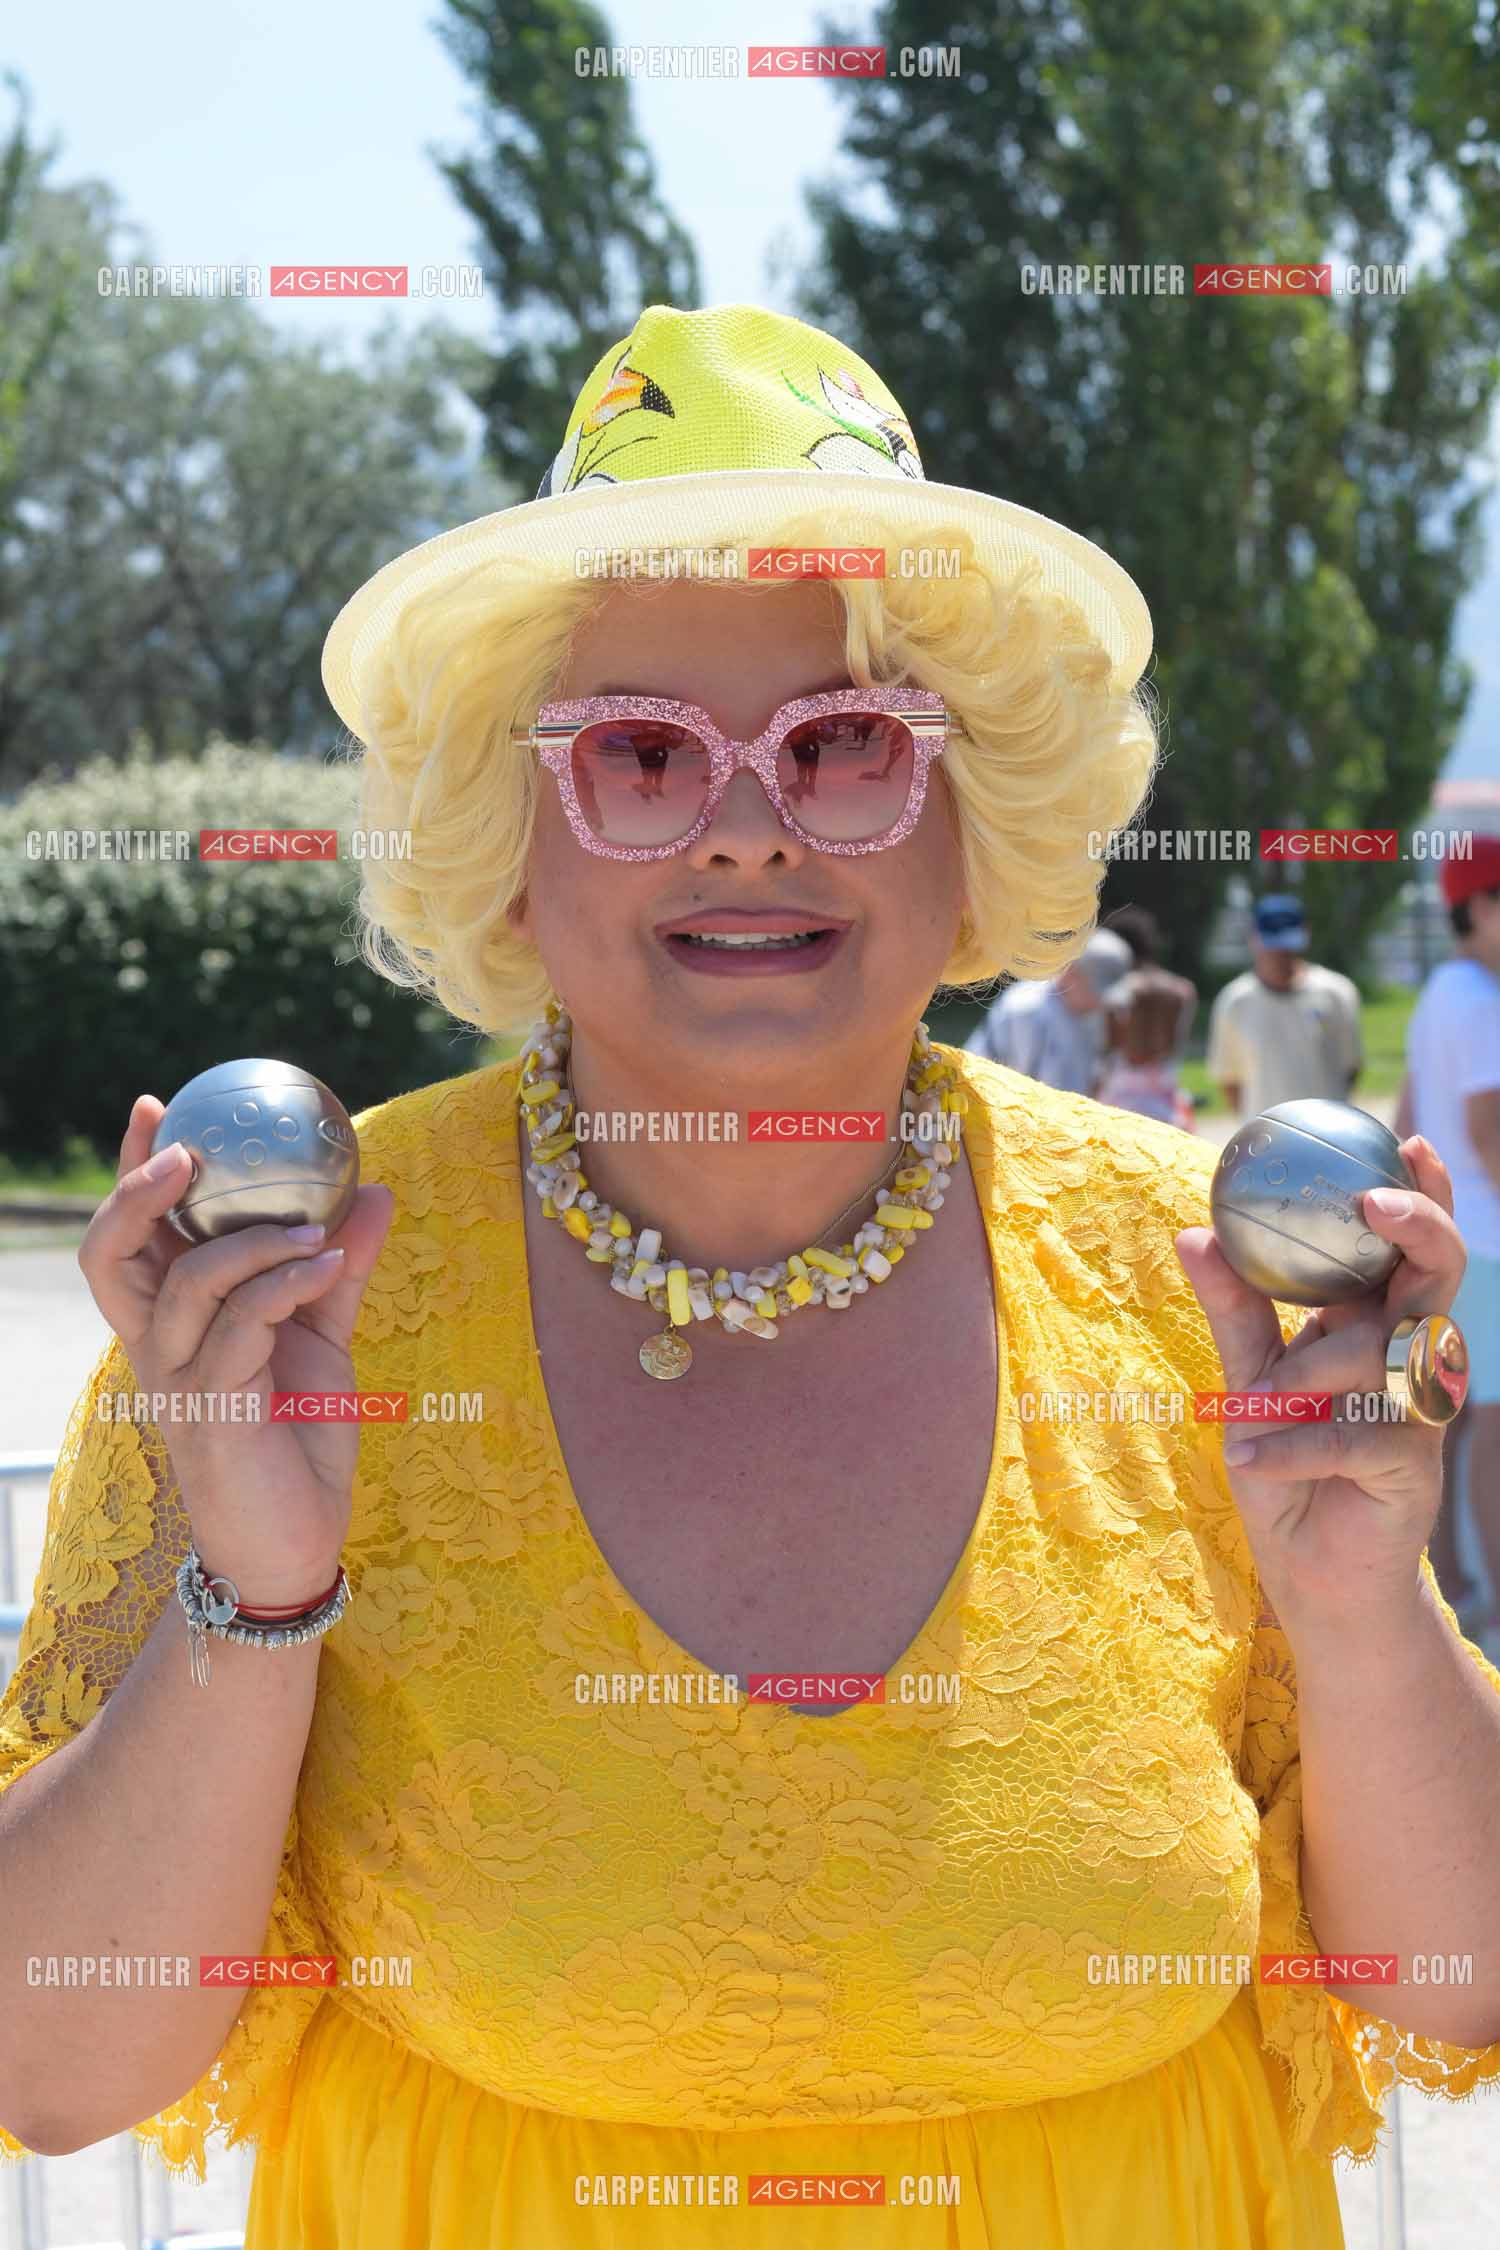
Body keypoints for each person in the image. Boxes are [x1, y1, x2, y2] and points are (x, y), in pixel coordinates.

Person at [4, 303, 1500, 2250]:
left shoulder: (1207, 1282)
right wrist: (259, 1604)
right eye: (637, 751)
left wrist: (1367, 1617)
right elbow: (56, 2065)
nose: (743, 827)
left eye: (846, 744)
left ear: (973, 823)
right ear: (510, 836)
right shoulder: (283, 1308)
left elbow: (1456, 1984)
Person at [1396, 838, 1500, 1643]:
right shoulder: (1481, 1001)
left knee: (1438, 1419)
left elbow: (1407, 1118)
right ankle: (1490, 1605)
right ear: (1484, 906)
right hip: (1490, 1249)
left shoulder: (1440, 990)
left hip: (1451, 1246)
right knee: (1490, 1430)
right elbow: (1489, 1134)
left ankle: (1447, 1595)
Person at [1207, 893, 1363, 1123]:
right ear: (1254, 939)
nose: (1281, 955)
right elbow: (1230, 1080)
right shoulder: (1235, 1001)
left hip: (1327, 1133)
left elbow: (1350, 1067)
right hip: (1266, 1139)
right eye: (1273, 946)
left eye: (1288, 946)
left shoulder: (1336, 993)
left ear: (1305, 935)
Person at [965, 930, 1132, 1093]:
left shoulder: (1094, 1013)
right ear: (1071, 974)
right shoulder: (1027, 1009)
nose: (1100, 1003)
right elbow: (1018, 1087)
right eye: (1095, 990)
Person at [1096, 904, 1199, 1129]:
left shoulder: (1117, 993)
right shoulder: (1182, 991)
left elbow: (1108, 1050)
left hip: (1121, 1102)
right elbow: (1176, 1046)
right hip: (1168, 1104)